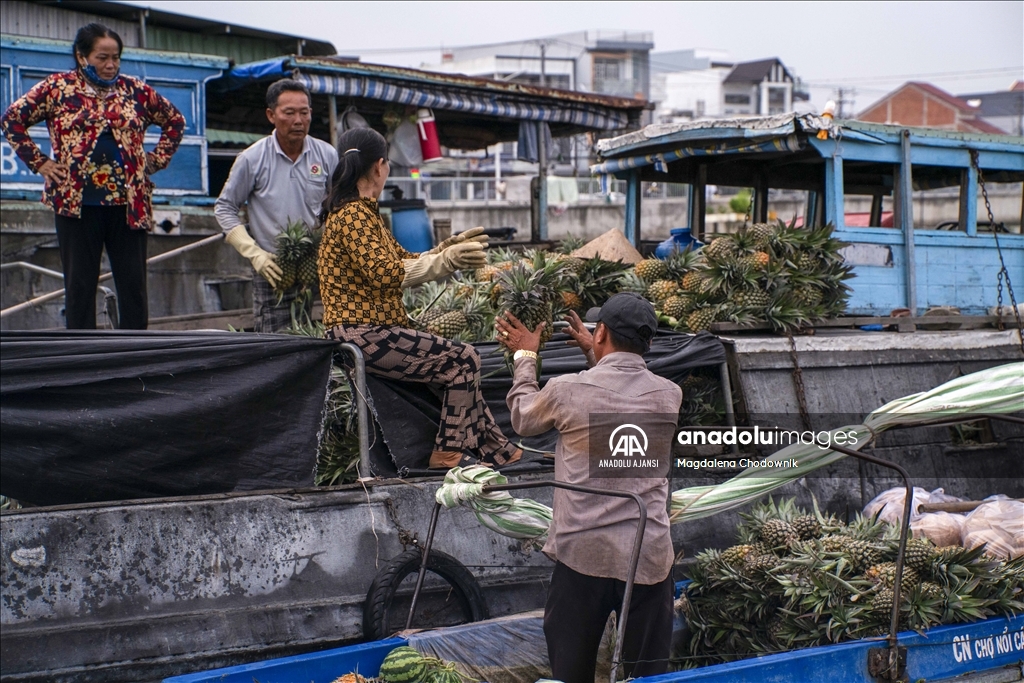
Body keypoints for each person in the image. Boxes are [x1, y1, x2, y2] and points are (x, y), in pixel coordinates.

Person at [496, 293, 681, 683]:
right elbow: (619, 396)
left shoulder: (568, 391)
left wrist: (526, 359)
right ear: (648, 343)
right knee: (647, 674)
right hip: (647, 554)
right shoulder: (669, 394)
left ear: (601, 334)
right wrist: (598, 353)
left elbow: (524, 419)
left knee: (571, 672)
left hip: (584, 554)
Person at [318, 127, 522, 469]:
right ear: (381, 166)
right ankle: (446, 453)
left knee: (458, 363)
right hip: (362, 335)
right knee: (464, 360)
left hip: (370, 332)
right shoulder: (353, 216)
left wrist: (445, 248)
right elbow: (385, 273)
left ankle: (500, 450)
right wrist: (445, 262)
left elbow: (405, 261)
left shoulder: (366, 215)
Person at [1, 23, 185, 329]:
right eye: (102, 57)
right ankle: (82, 360)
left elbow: (175, 122)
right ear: (82, 55)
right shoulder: (58, 88)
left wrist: (155, 161)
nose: (111, 65)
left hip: (129, 205)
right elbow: (11, 120)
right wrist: (41, 163)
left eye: (116, 58)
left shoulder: (135, 91)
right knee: (80, 288)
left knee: (133, 287)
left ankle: (135, 357)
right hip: (75, 204)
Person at [215, 79, 337, 333]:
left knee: (322, 337)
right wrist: (253, 253)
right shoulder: (252, 159)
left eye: (304, 113)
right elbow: (225, 207)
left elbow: (339, 204)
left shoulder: (326, 155)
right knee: (274, 343)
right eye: (289, 113)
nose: (298, 120)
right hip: (272, 267)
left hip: (317, 266)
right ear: (271, 115)